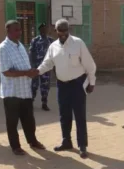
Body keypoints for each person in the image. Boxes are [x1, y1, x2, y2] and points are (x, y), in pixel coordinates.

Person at [35, 19, 96, 159]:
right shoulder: (53, 46)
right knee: (64, 115)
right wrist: (37, 71)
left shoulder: (78, 43)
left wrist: (92, 82)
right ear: (55, 31)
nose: (63, 33)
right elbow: (47, 63)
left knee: (80, 115)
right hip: (62, 85)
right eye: (60, 30)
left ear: (69, 30)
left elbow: (89, 64)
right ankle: (66, 141)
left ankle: (82, 146)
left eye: (65, 30)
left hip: (77, 85)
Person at [0, 20, 45, 156]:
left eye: (20, 30)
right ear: (8, 31)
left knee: (29, 120)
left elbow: (24, 67)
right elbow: (6, 72)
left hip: (25, 91)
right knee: (12, 122)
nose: (19, 32)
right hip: (12, 93)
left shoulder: (21, 46)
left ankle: (32, 141)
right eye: (16, 30)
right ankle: (15, 146)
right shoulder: (3, 48)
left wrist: (32, 72)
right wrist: (26, 73)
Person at [29, 23, 54, 111]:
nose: (44, 30)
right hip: (36, 67)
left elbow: (54, 54)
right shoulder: (35, 40)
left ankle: (44, 103)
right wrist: (32, 65)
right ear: (39, 30)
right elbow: (31, 53)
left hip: (46, 67)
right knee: (34, 85)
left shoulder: (51, 40)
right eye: (42, 29)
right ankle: (30, 102)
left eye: (45, 29)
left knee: (45, 86)